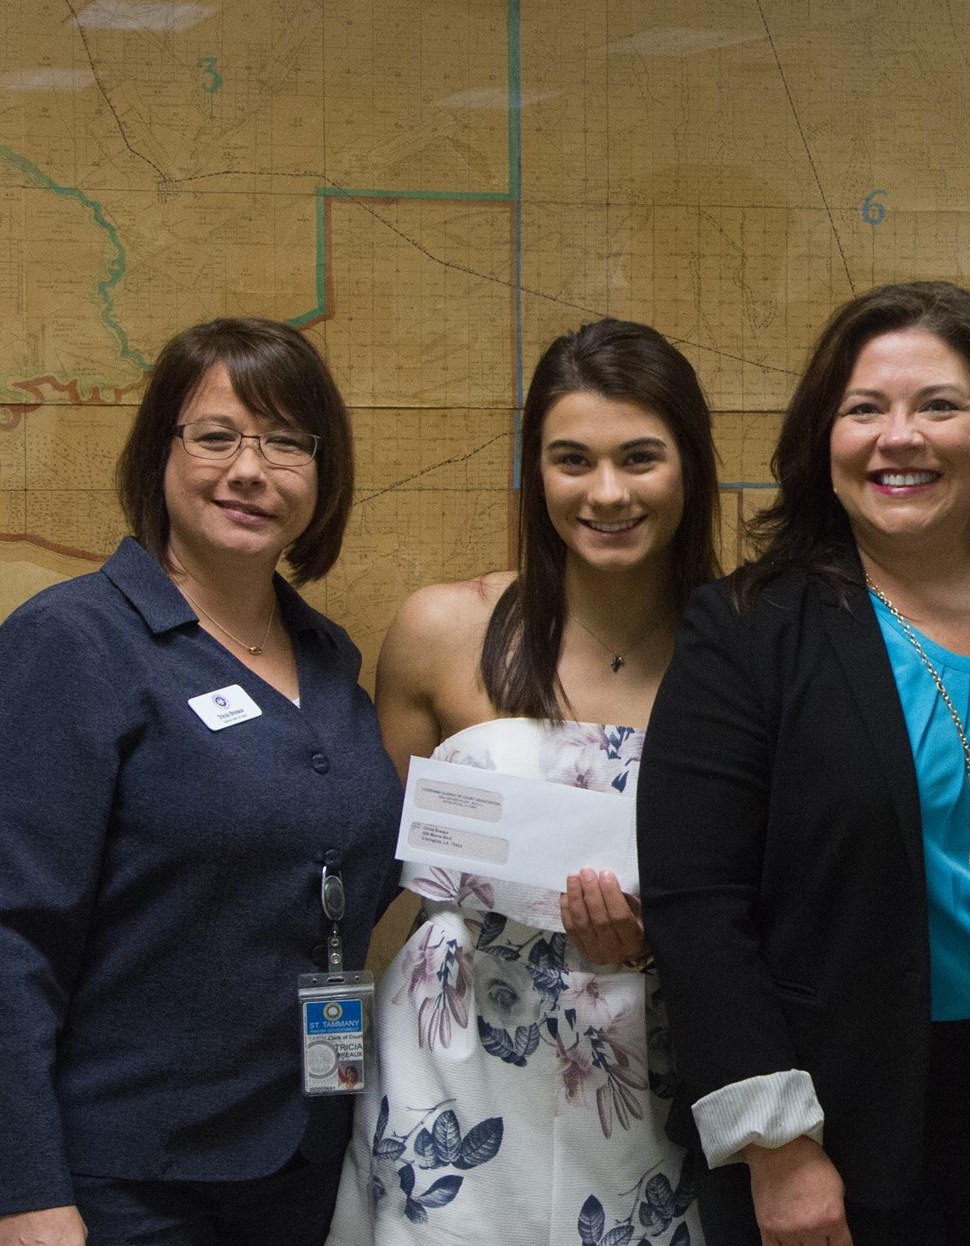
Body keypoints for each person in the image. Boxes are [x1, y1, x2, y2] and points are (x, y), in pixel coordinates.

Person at [640, 280, 970, 1246]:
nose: (899, 438)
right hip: (829, 1121)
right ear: (823, 442)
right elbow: (698, 904)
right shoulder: (748, 630)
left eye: (938, 406)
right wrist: (776, 1143)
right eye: (864, 409)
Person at [0, 318, 402, 1246]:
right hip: (123, 1182)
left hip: (301, 1160)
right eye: (217, 436)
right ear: (160, 455)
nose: (250, 470)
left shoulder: (327, 658)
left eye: (286, 442)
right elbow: (13, 932)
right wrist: (24, 1190)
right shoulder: (73, 643)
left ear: (322, 473)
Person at [326, 320, 721, 1246]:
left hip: (650, 1070)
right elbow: (371, 864)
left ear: (691, 468)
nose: (607, 492)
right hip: (449, 1063)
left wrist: (656, 944)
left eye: (640, 457)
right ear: (534, 471)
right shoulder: (441, 631)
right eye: (572, 459)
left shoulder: (742, 650)